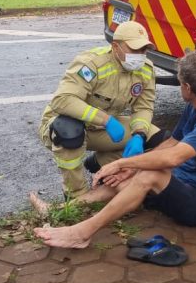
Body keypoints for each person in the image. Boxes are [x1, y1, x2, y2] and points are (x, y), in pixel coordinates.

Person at [33, 50, 196, 249]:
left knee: (149, 174)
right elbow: (172, 143)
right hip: (183, 181)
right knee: (126, 178)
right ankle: (59, 210)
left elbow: (172, 157)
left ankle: (81, 234)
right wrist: (131, 169)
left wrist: (121, 163)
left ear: (188, 88)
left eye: (180, 84)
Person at [31, 21, 166, 213]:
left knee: (157, 139)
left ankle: (102, 164)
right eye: (134, 49)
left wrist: (139, 134)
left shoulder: (145, 69)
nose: (140, 56)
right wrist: (106, 120)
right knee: (69, 131)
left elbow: (144, 106)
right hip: (63, 126)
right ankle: (76, 195)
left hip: (102, 130)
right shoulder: (91, 63)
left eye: (144, 49)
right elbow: (62, 100)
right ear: (116, 47)